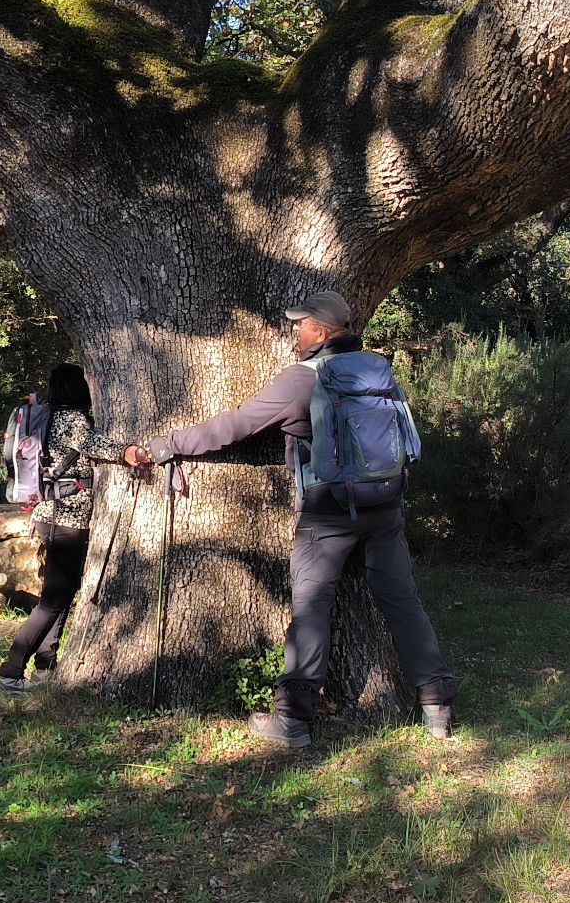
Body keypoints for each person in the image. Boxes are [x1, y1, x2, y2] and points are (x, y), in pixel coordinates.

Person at [123, 291, 457, 747]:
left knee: (312, 607)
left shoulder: (301, 380)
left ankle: (293, 719)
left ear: (320, 331)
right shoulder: (377, 368)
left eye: (300, 324)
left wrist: (167, 445)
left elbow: (235, 425)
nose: (295, 331)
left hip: (328, 513)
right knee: (402, 601)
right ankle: (437, 705)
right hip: (384, 504)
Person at [0, 362, 118, 696]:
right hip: (68, 518)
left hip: (47, 513)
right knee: (51, 600)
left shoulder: (47, 417)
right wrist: (129, 451)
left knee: (62, 593)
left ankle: (45, 666)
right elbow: (95, 446)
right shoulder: (73, 420)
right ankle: (10, 673)